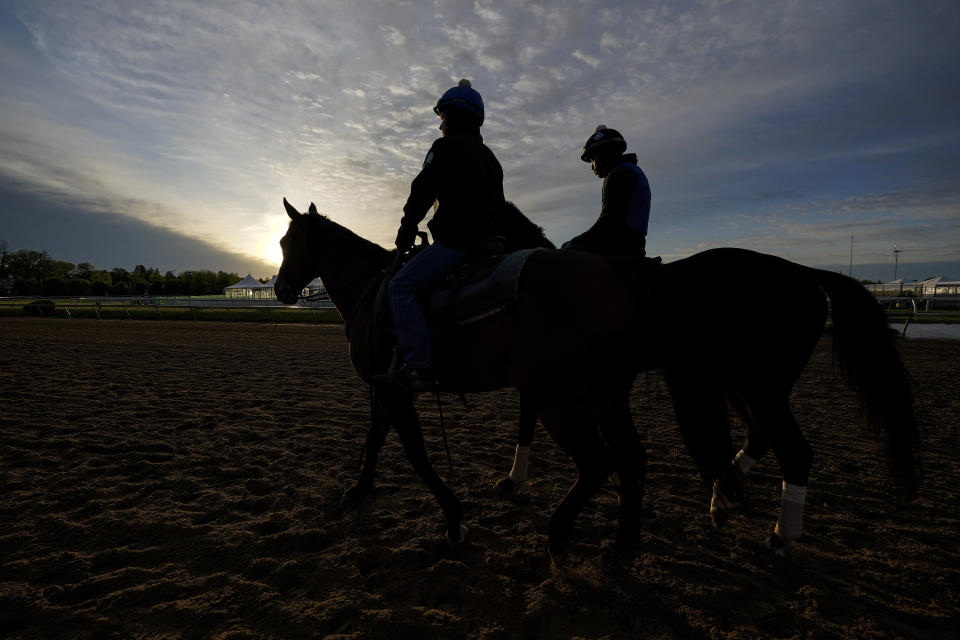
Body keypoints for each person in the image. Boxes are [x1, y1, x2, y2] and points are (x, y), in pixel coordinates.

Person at [384, 79, 506, 391]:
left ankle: (419, 365)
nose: (440, 126)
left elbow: (421, 193)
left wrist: (405, 230)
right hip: (488, 244)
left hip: (455, 243)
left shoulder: (444, 148)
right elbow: (500, 207)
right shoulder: (491, 158)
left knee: (400, 286)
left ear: (451, 117)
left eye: (443, 118)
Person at [564, 125, 651, 257]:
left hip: (618, 248)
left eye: (592, 159)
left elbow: (608, 223)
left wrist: (575, 241)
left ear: (601, 156)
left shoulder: (619, 174)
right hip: (633, 246)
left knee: (565, 254)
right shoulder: (630, 170)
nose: (592, 167)